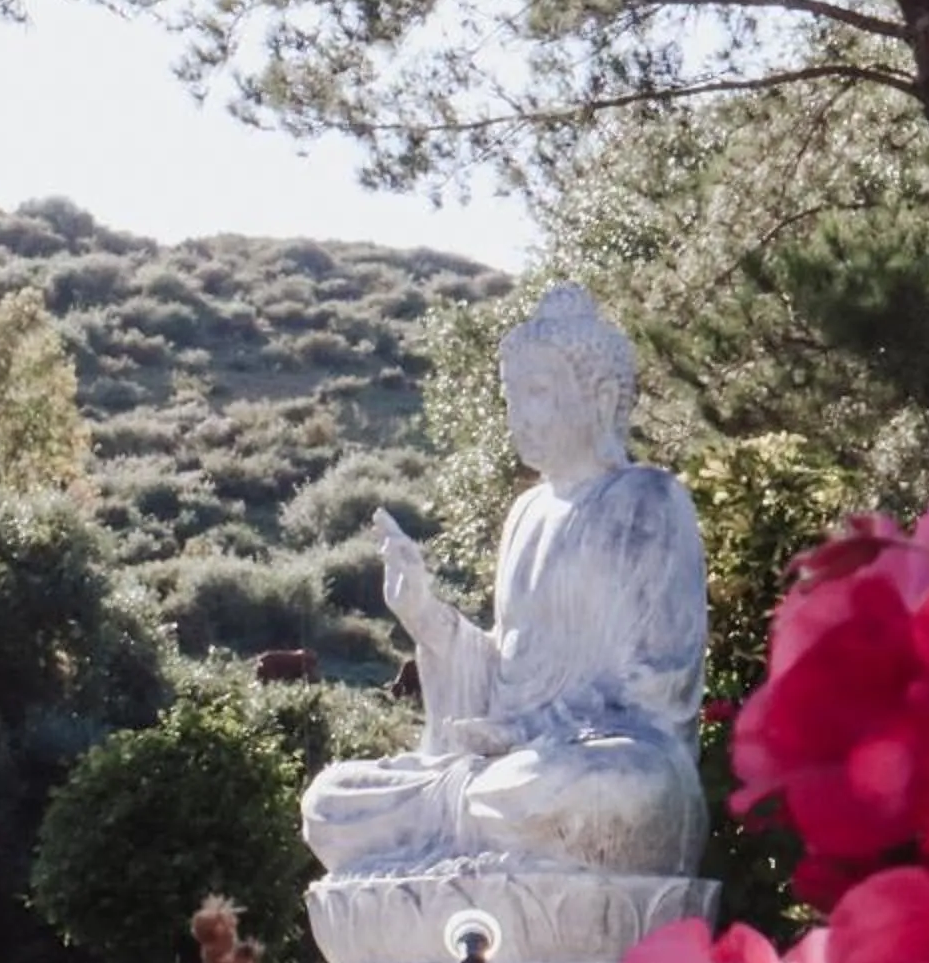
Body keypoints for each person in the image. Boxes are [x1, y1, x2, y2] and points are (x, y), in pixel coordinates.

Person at [301, 286, 706, 879]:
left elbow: (656, 689)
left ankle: (456, 826)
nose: (519, 415)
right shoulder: (525, 515)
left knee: (607, 787)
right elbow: (503, 672)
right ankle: (462, 822)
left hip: (600, 760)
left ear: (597, 398)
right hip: (506, 768)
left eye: (538, 393)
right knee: (329, 800)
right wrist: (426, 617)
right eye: (511, 395)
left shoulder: (649, 502)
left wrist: (528, 733)